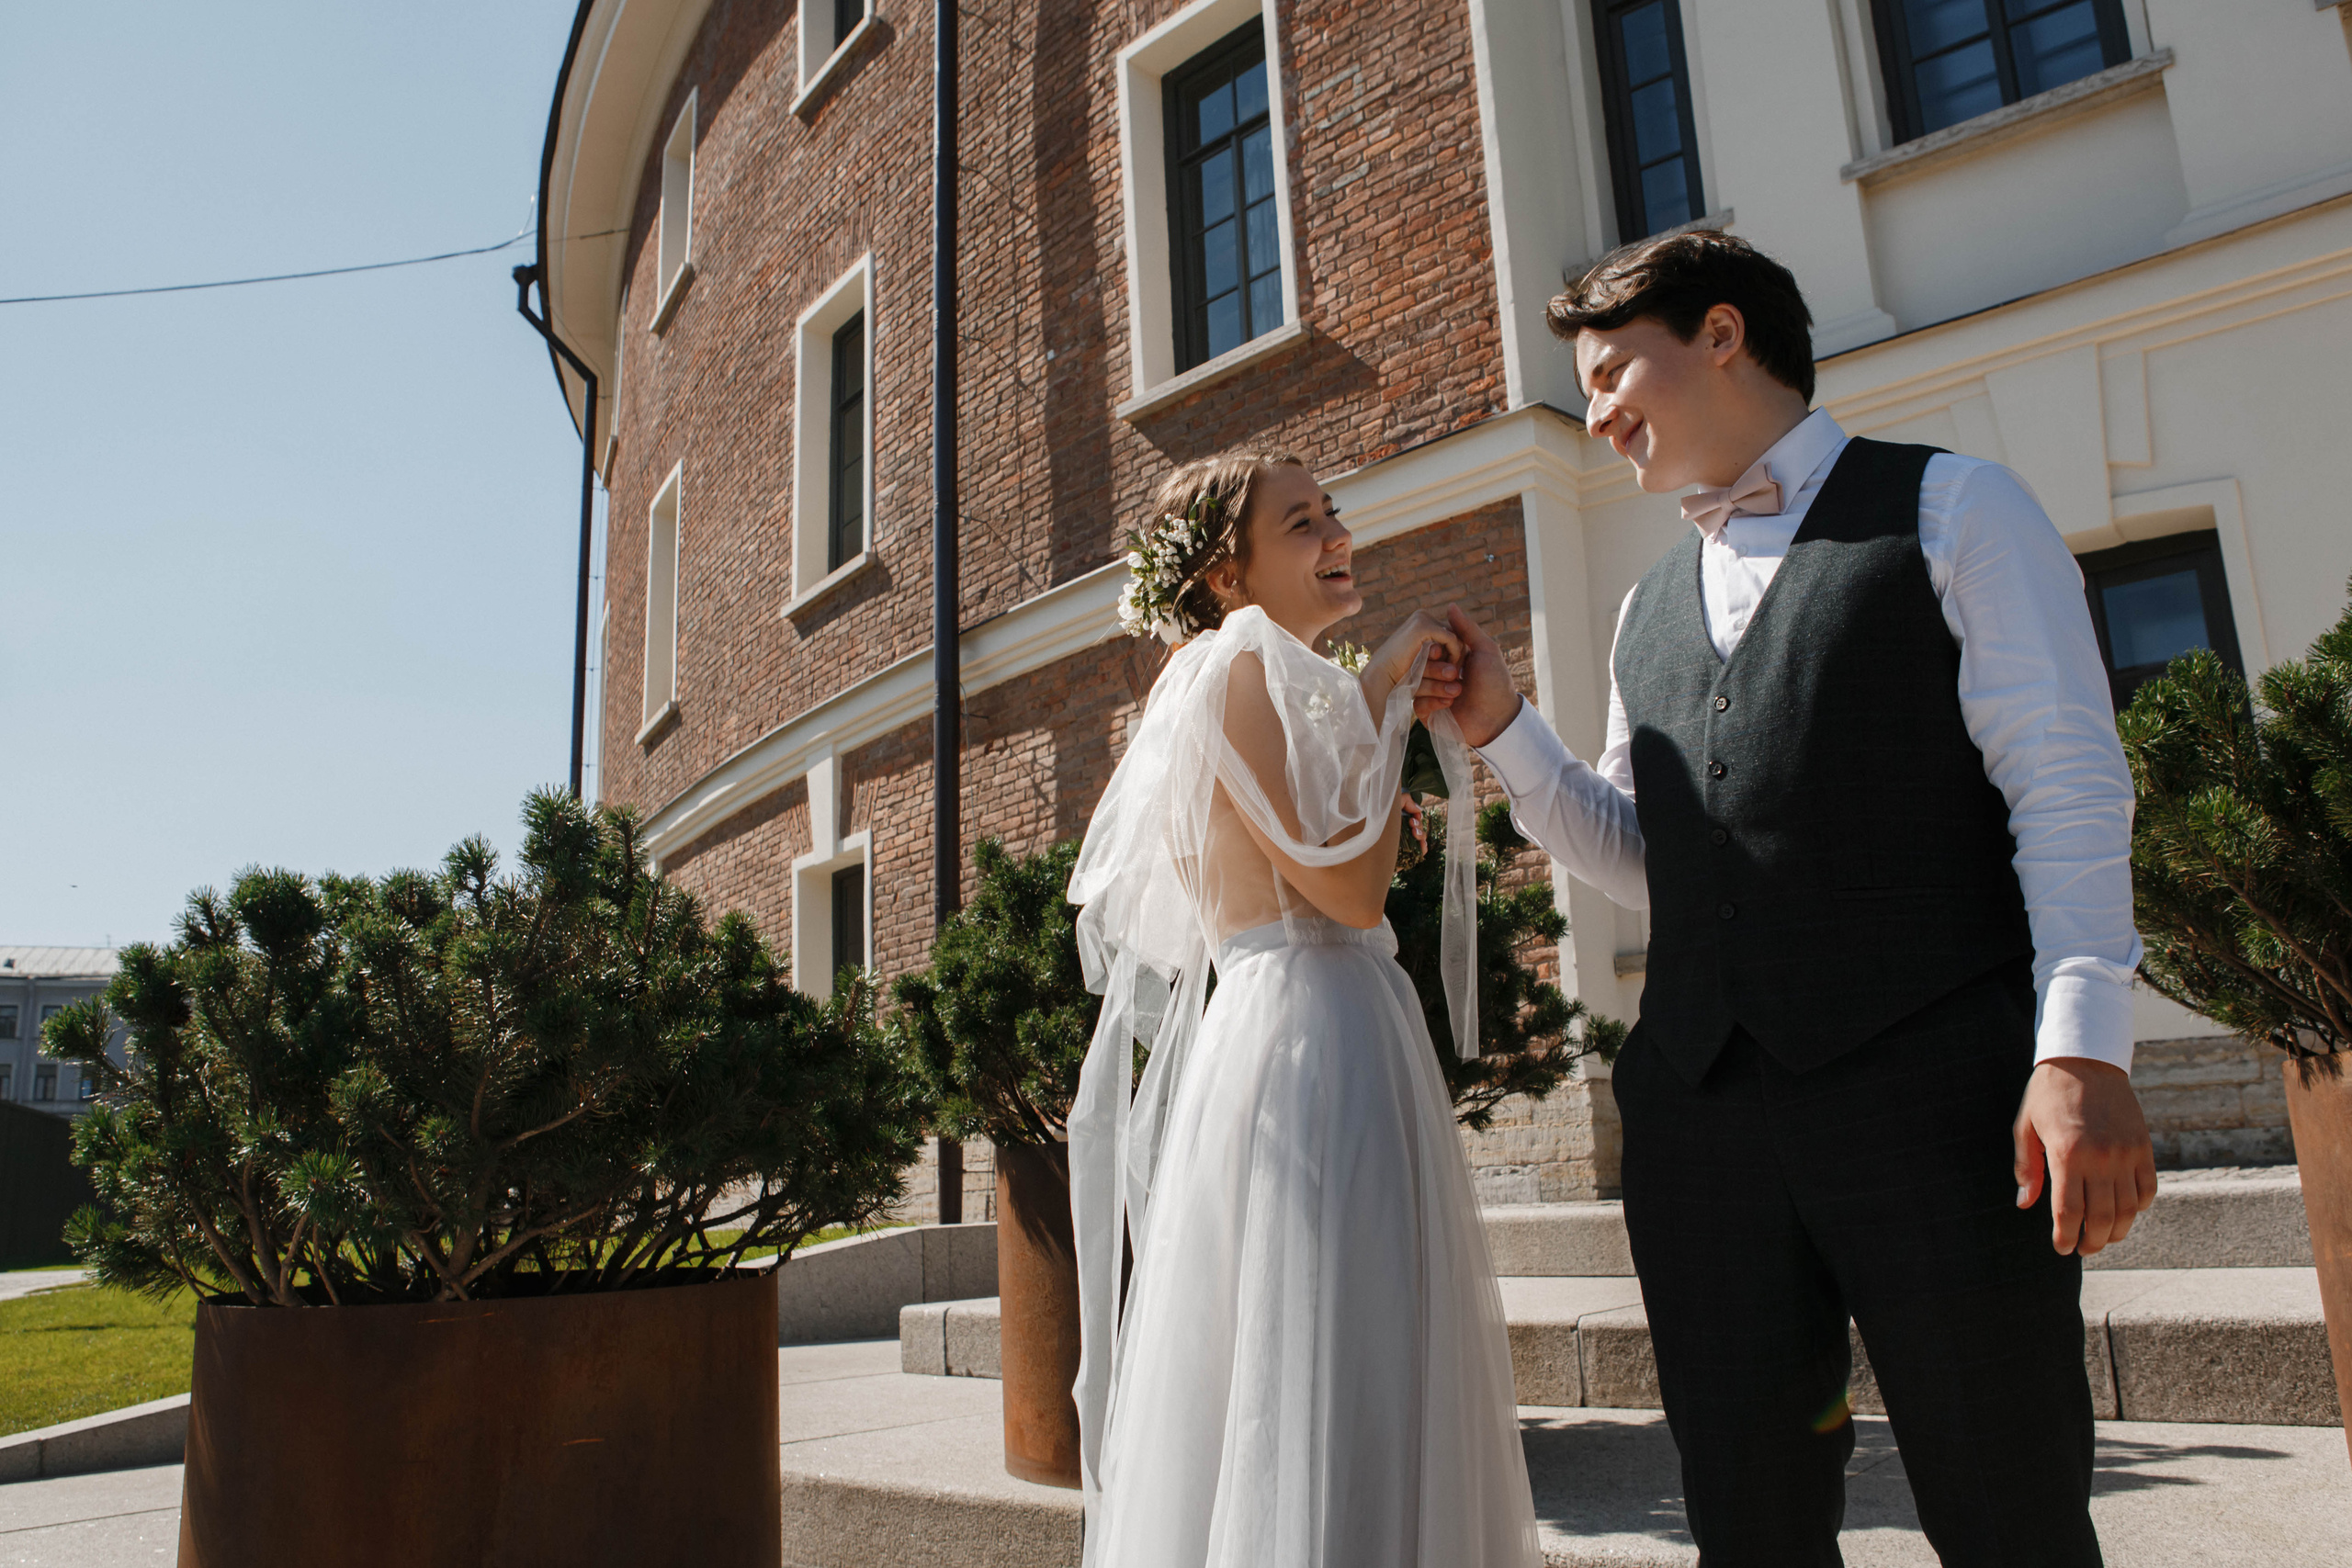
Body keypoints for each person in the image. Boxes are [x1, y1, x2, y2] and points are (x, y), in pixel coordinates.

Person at [1441, 231, 2157, 1566]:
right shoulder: (1643, 601)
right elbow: (1654, 853)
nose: (1593, 416)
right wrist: (1503, 728)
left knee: (2008, 1502)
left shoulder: (1957, 507)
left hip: (1938, 1100)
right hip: (1702, 1126)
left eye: (1610, 375)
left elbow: (2065, 783)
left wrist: (2080, 1048)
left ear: (1722, 334)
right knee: (1749, 1518)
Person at [1065, 451, 1538, 1568]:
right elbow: (1347, 887)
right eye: (1300, 523)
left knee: (1372, 1346)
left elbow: (1337, 865)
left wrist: (1366, 705)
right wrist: (1378, 701)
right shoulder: (1226, 664)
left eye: (1334, 513)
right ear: (1227, 579)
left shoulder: (1291, 677)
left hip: (1350, 1018)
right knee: (1313, 1348)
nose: (1337, 535)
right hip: (1302, 1038)